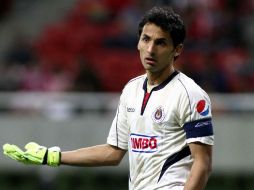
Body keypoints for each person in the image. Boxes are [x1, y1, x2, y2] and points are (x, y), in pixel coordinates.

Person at [3, 6, 214, 190]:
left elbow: (202, 164)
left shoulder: (190, 94)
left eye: (160, 43)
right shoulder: (131, 90)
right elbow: (113, 152)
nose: (150, 49)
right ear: (138, 42)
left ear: (177, 50)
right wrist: (53, 157)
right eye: (146, 39)